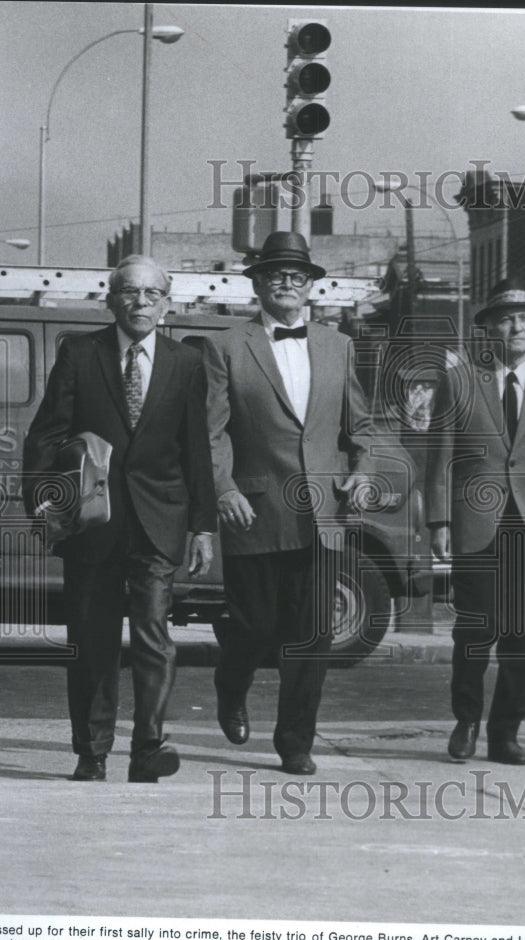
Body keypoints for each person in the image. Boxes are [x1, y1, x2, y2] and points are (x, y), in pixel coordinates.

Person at [22, 255, 217, 782]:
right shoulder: (80, 355)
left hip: (159, 520)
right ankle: (92, 750)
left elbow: (196, 450)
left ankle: (149, 747)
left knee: (154, 637)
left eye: (153, 294)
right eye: (130, 292)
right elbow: (44, 435)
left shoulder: (185, 363)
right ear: (110, 300)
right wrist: (43, 505)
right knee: (92, 638)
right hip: (93, 524)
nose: (141, 303)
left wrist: (203, 525)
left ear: (166, 304)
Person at [200, 231, 374, 776]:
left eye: (297, 277)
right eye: (276, 275)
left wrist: (363, 474)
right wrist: (224, 488)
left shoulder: (338, 345)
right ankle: (230, 685)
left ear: (311, 287)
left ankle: (295, 742)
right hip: (254, 512)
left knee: (313, 637)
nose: (287, 284)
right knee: (253, 628)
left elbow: (361, 428)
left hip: (322, 515)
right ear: (256, 284)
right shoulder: (227, 346)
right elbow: (211, 432)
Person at [427, 278, 525, 765]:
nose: (515, 326)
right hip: (476, 523)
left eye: (524, 318)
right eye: (505, 318)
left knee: (523, 637)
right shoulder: (460, 379)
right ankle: (467, 720)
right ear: (489, 327)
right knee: (475, 630)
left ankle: (505, 734)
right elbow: (441, 455)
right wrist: (438, 521)